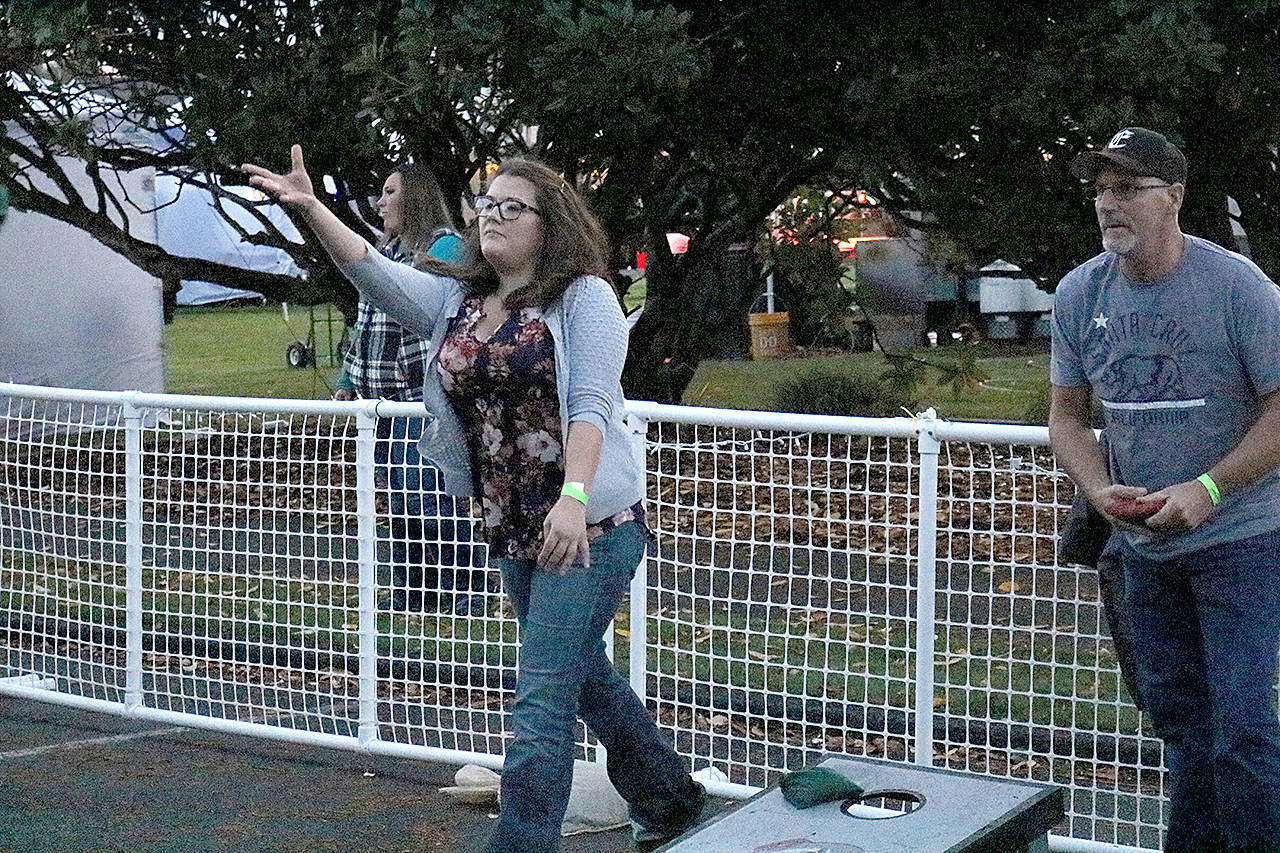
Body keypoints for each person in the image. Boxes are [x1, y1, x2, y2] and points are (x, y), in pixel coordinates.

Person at [244, 146, 707, 852]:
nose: (491, 216)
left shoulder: (584, 297)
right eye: (486, 206)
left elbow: (590, 407)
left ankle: (520, 843)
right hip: (512, 529)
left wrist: (574, 499)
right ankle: (670, 798)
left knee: (542, 699)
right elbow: (371, 269)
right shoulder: (458, 300)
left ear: (549, 224)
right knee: (582, 677)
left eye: (511, 207)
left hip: (591, 527)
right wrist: (309, 207)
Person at [1048, 127, 1280, 851]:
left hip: (1240, 541)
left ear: (1174, 197)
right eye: (1100, 190)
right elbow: (1066, 417)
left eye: (1127, 188)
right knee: (1182, 725)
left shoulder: (1237, 287)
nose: (1109, 205)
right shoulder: (1080, 293)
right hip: (1144, 552)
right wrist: (1100, 488)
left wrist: (1209, 486)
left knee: (1242, 728)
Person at [333, 163, 488, 615]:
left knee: (431, 503)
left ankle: (462, 599)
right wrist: (347, 379)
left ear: (414, 197)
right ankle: (413, 599)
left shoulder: (444, 248)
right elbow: (364, 324)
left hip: (421, 404)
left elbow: (460, 318)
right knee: (401, 508)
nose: (380, 203)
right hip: (381, 407)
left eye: (388, 192)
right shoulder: (387, 251)